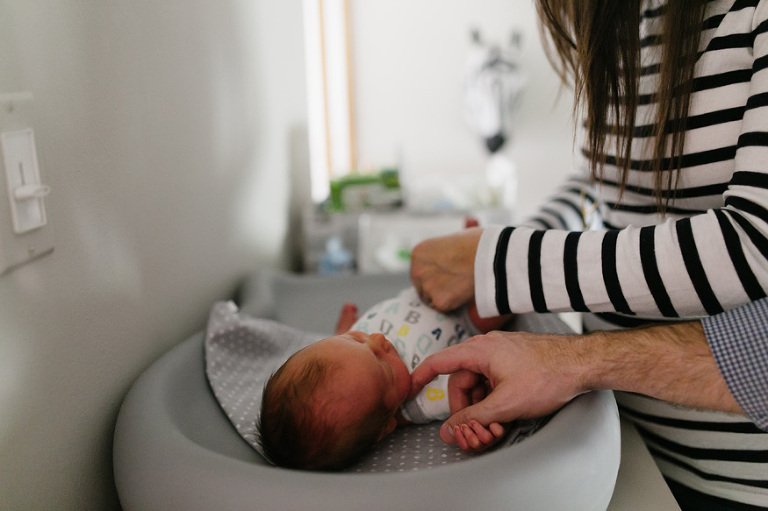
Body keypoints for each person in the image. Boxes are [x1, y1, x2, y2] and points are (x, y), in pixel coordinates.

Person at [409, 1, 768, 509]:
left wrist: (504, 263)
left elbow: (755, 246)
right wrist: (518, 240)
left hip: (737, 482)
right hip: (615, 437)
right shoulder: (628, 16)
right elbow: (604, 185)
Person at [255, 288, 510, 471]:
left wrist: (344, 331)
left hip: (426, 290)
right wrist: (477, 420)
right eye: (383, 367)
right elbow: (469, 386)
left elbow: (341, 360)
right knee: (496, 302)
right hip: (463, 316)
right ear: (387, 426)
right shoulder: (421, 400)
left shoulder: (345, 362)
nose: (376, 338)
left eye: (355, 339)